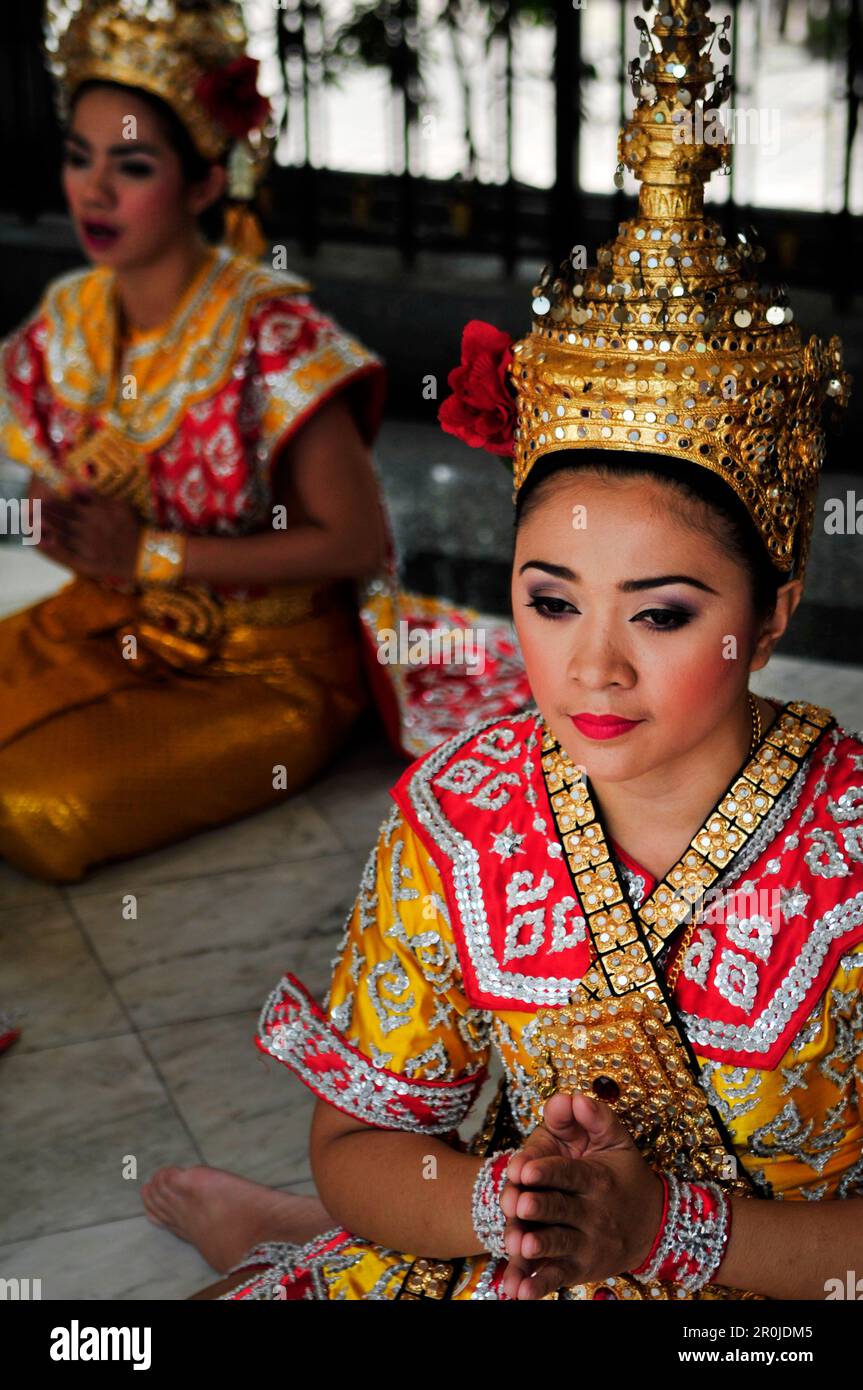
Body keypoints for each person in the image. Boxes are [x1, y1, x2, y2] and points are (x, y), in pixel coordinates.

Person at [142, 0, 862, 1300]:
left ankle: (269, 1226)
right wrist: (503, 1195)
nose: (589, 668)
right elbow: (365, 1137)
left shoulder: (852, 855)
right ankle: (272, 1233)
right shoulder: (460, 819)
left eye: (657, 613)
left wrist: (665, 1235)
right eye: (545, 597)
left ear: (773, 606)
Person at [0, 0, 531, 884]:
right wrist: (60, 520)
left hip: (268, 666)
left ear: (206, 183)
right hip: (114, 623)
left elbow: (357, 543)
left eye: (131, 165)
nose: (93, 191)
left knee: (37, 809)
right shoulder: (71, 317)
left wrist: (153, 556)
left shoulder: (270, 339)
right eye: (79, 157)